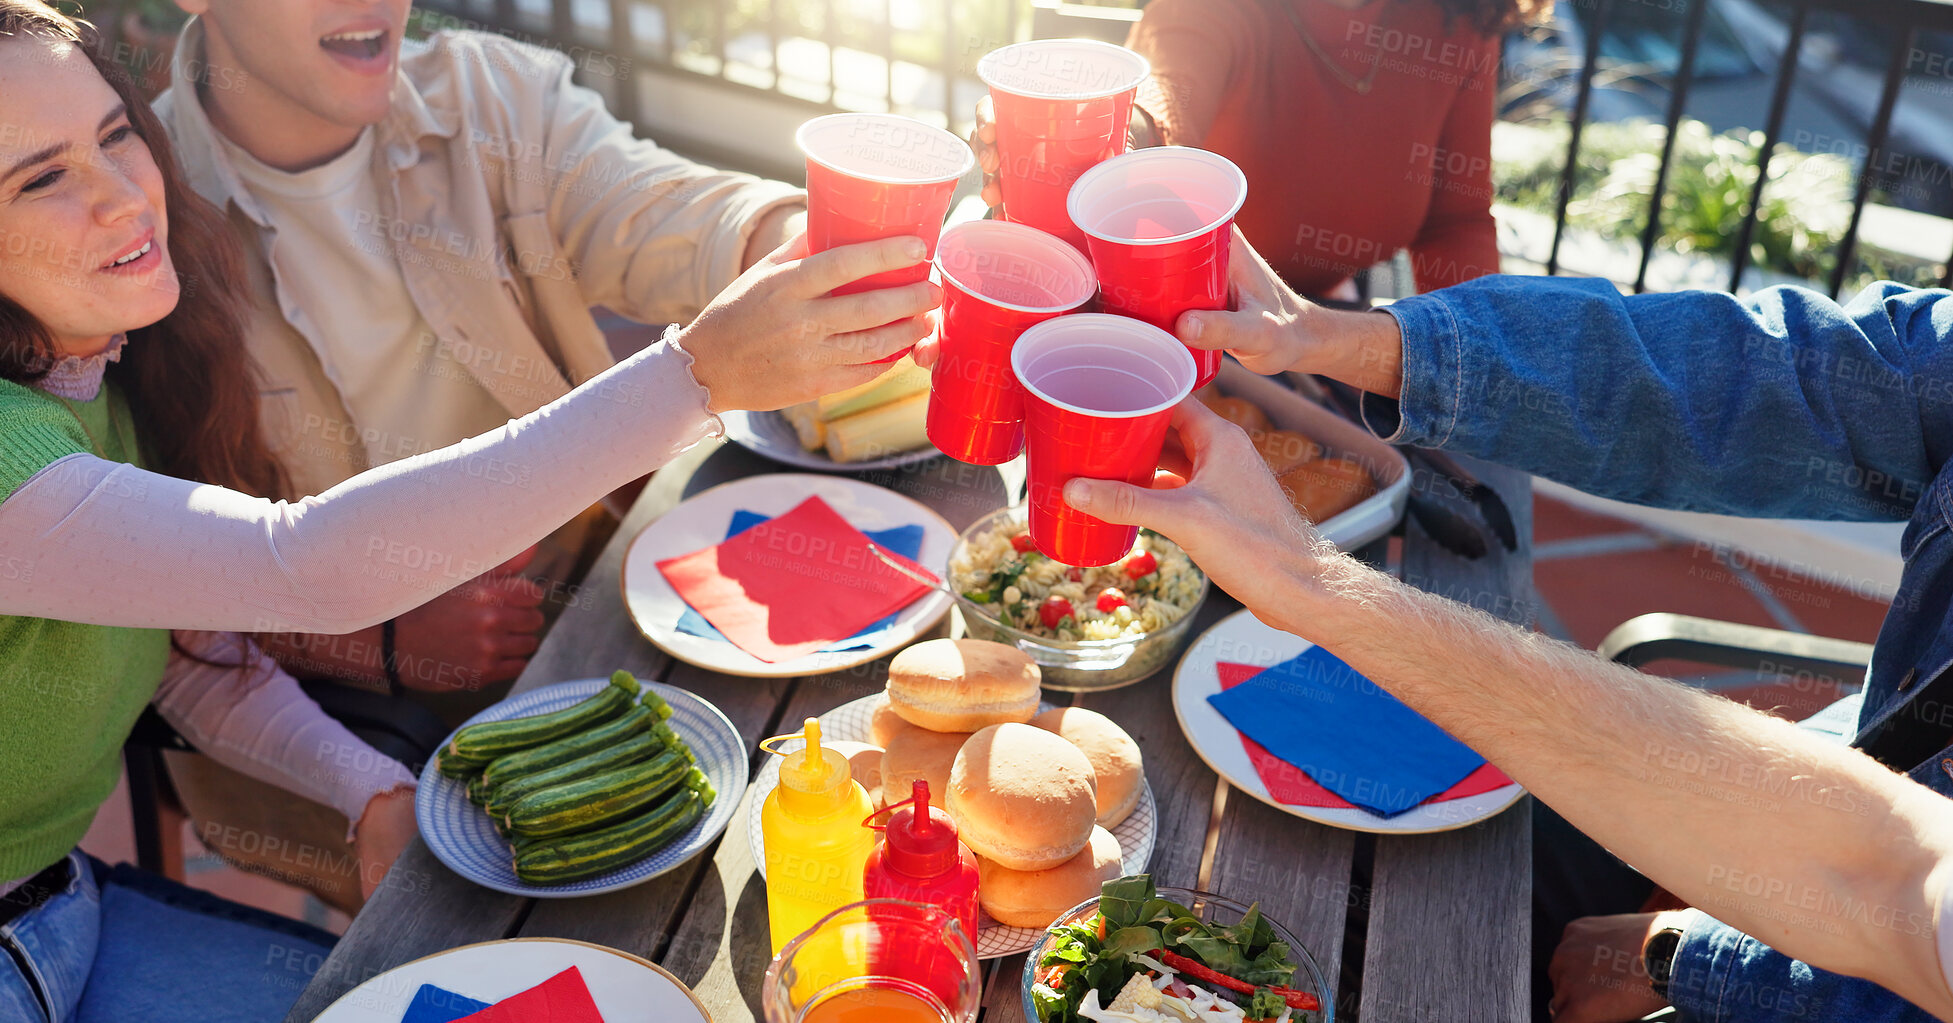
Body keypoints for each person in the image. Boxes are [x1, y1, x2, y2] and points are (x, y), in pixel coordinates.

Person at [0, 5, 936, 1018]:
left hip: (64, 898)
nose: (121, 197)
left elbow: (188, 652)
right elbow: (303, 566)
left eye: (113, 136)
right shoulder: (75, 365)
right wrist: (693, 377)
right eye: (41, 178)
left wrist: (368, 789)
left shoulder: (87, 363)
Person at [1032, 230, 1953, 1022]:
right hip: (1832, 793)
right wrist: (1341, 339)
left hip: (1824, 956)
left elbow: (1891, 890)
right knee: (1436, 877)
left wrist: (1680, 956)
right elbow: (1772, 375)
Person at [147, 0, 817, 904]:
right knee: (473, 930)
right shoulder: (128, 210)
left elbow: (667, 212)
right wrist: (373, 636)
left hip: (583, 611)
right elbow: (145, 582)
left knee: (775, 826)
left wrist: (797, 244)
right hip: (318, 710)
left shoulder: (493, 97)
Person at [974, 0, 1545, 297]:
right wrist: (1119, 139)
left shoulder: (1466, 19)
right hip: (1184, 338)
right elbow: (1167, 95)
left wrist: (1487, 357)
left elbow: (1456, 220)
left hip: (1326, 344)